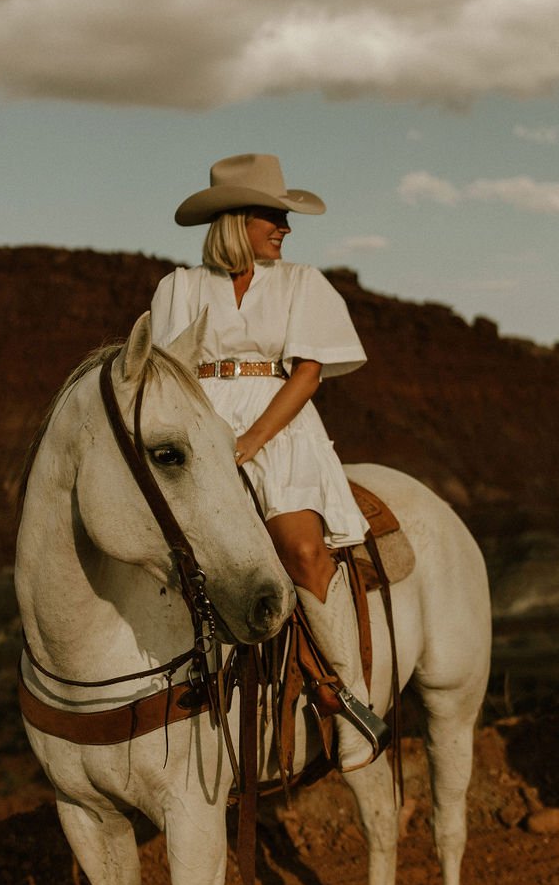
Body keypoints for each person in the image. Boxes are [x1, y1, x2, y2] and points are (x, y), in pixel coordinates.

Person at [150, 152, 388, 771]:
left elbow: (307, 373)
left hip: (277, 425)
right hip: (199, 424)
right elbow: (161, 375)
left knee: (305, 551)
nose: (285, 227)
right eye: (272, 216)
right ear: (235, 221)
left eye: (284, 218)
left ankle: (350, 700)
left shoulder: (301, 283)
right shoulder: (178, 289)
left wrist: (251, 442)